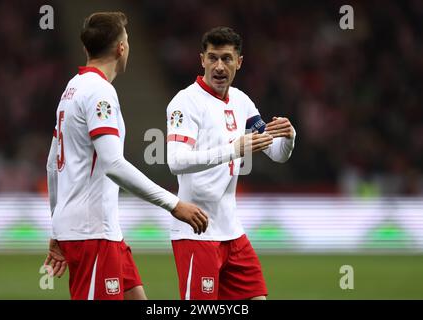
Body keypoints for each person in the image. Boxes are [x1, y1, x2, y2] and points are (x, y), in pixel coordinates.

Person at [44, 11, 208, 300]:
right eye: (127, 40)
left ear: (86, 48)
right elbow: (113, 164)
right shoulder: (99, 92)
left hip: (102, 230)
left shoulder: (72, 88)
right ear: (121, 48)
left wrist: (57, 226)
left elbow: (51, 165)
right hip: (90, 232)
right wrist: (174, 204)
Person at [166, 26, 296, 300]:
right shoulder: (184, 103)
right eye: (212, 58)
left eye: (226, 58)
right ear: (202, 60)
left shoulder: (242, 101)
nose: (219, 66)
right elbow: (176, 161)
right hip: (196, 233)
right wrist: (233, 149)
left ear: (239, 61)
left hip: (232, 232)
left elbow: (276, 153)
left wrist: (289, 137)